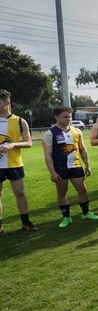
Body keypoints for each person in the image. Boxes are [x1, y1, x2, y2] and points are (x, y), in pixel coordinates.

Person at [42, 106, 98, 227]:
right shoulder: (50, 133)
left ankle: (86, 212)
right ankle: (66, 217)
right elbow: (47, 155)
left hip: (76, 166)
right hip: (60, 169)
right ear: (56, 117)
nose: (68, 119)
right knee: (62, 193)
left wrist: (87, 165)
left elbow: (83, 149)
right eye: (65, 116)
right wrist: (53, 172)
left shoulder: (77, 131)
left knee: (83, 190)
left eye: (70, 116)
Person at [0, 89, 37, 235]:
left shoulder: (20, 121)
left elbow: (29, 142)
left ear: (7, 102)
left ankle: (26, 222)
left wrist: (12, 144)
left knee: (20, 193)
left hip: (14, 163)